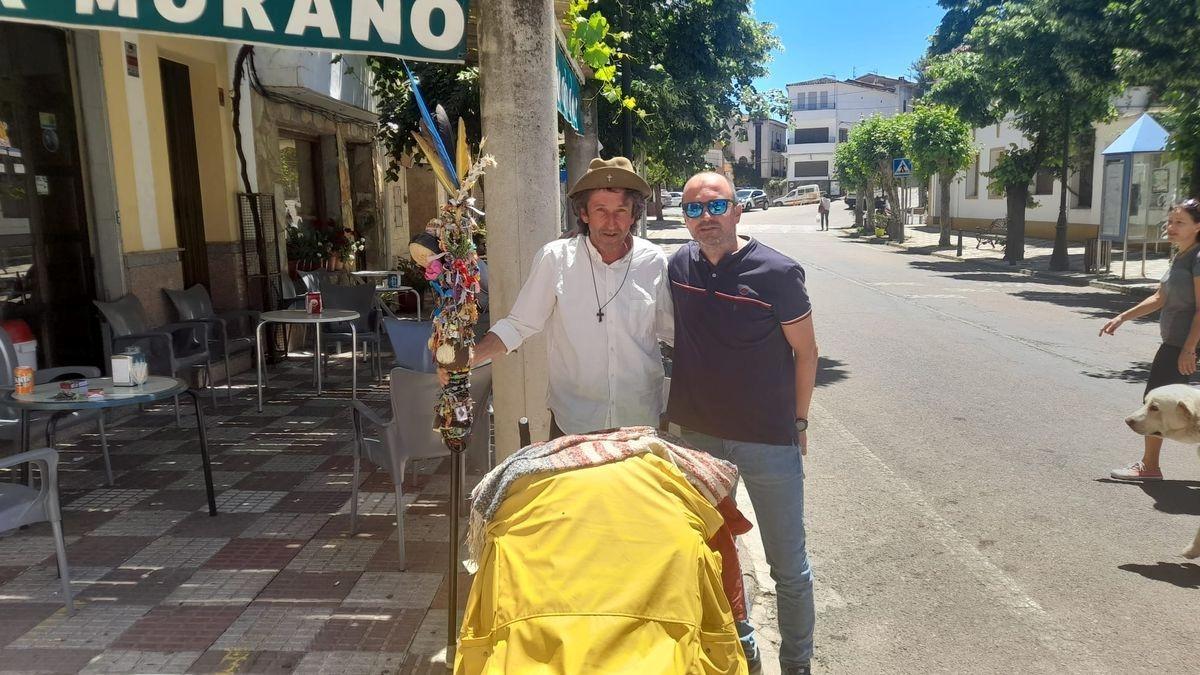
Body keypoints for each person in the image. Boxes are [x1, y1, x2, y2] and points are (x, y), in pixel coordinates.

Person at [667, 171, 818, 675]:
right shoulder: (678, 266)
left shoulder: (777, 272)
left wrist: (799, 423)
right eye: (693, 210)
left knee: (787, 566)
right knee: (712, 556)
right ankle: (743, 649)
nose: (705, 218)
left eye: (716, 207)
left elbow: (806, 352)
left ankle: (797, 665)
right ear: (683, 218)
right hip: (700, 438)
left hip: (768, 440)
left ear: (737, 209)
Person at [465, 157, 673, 438]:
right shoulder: (556, 259)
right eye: (600, 210)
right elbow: (519, 325)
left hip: (639, 419)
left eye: (621, 211)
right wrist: (469, 357)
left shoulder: (654, 261)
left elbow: (673, 333)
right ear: (584, 213)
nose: (611, 222)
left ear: (635, 214)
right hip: (574, 421)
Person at [1102, 198, 1200, 480]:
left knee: (1155, 402)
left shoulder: (1197, 257)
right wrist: (1123, 317)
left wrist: (1189, 348)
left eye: (1180, 222)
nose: (1171, 227)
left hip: (1184, 344)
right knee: (1157, 402)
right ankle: (1150, 465)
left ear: (1198, 226)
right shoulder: (1181, 255)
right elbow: (1160, 297)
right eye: (1170, 221)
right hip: (1177, 342)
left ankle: (1150, 466)